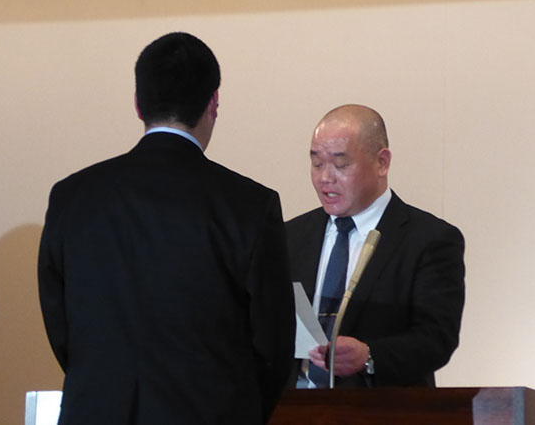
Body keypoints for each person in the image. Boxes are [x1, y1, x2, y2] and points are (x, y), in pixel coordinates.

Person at [38, 32, 295, 424]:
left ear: (138, 103)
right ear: (213, 103)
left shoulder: (72, 197)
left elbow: (60, 324)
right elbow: (274, 344)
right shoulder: (251, 205)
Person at [286, 104, 465, 388]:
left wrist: (370, 356)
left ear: (382, 162)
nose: (325, 178)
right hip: (293, 406)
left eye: (340, 165)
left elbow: (436, 339)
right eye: (317, 164)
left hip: (379, 404)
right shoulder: (290, 236)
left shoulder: (429, 239)